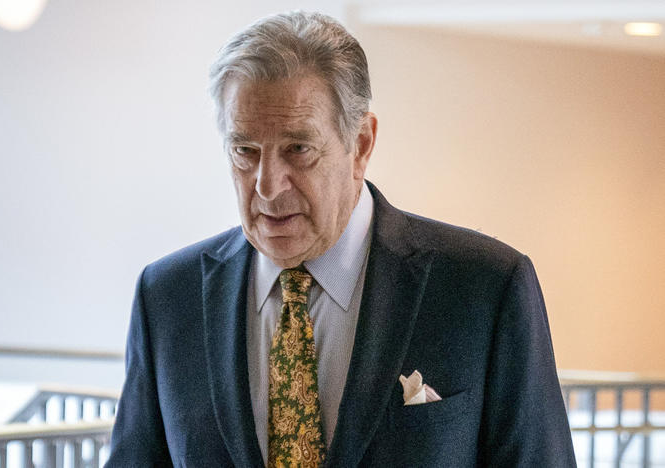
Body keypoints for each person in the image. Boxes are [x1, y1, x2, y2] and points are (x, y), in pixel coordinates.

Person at [106, 11, 576, 467]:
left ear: (362, 144)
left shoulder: (483, 289)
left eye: (298, 149)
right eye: (245, 151)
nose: (268, 185)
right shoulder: (168, 297)